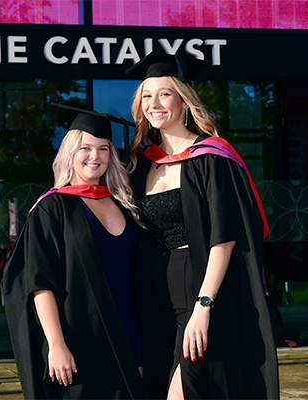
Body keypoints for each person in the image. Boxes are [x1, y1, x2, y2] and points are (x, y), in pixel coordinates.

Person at [126, 52, 280, 399]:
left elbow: (224, 237)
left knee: (185, 387)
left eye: (165, 94)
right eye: (147, 96)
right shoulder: (141, 164)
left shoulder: (211, 158)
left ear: (184, 100)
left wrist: (204, 304)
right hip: (152, 293)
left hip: (196, 284)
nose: (155, 104)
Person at [1, 110, 148, 400]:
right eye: (85, 148)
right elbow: (40, 283)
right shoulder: (52, 208)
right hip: (79, 338)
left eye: (103, 149)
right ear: (71, 153)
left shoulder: (125, 204)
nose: (95, 156)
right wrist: (56, 344)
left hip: (128, 334)